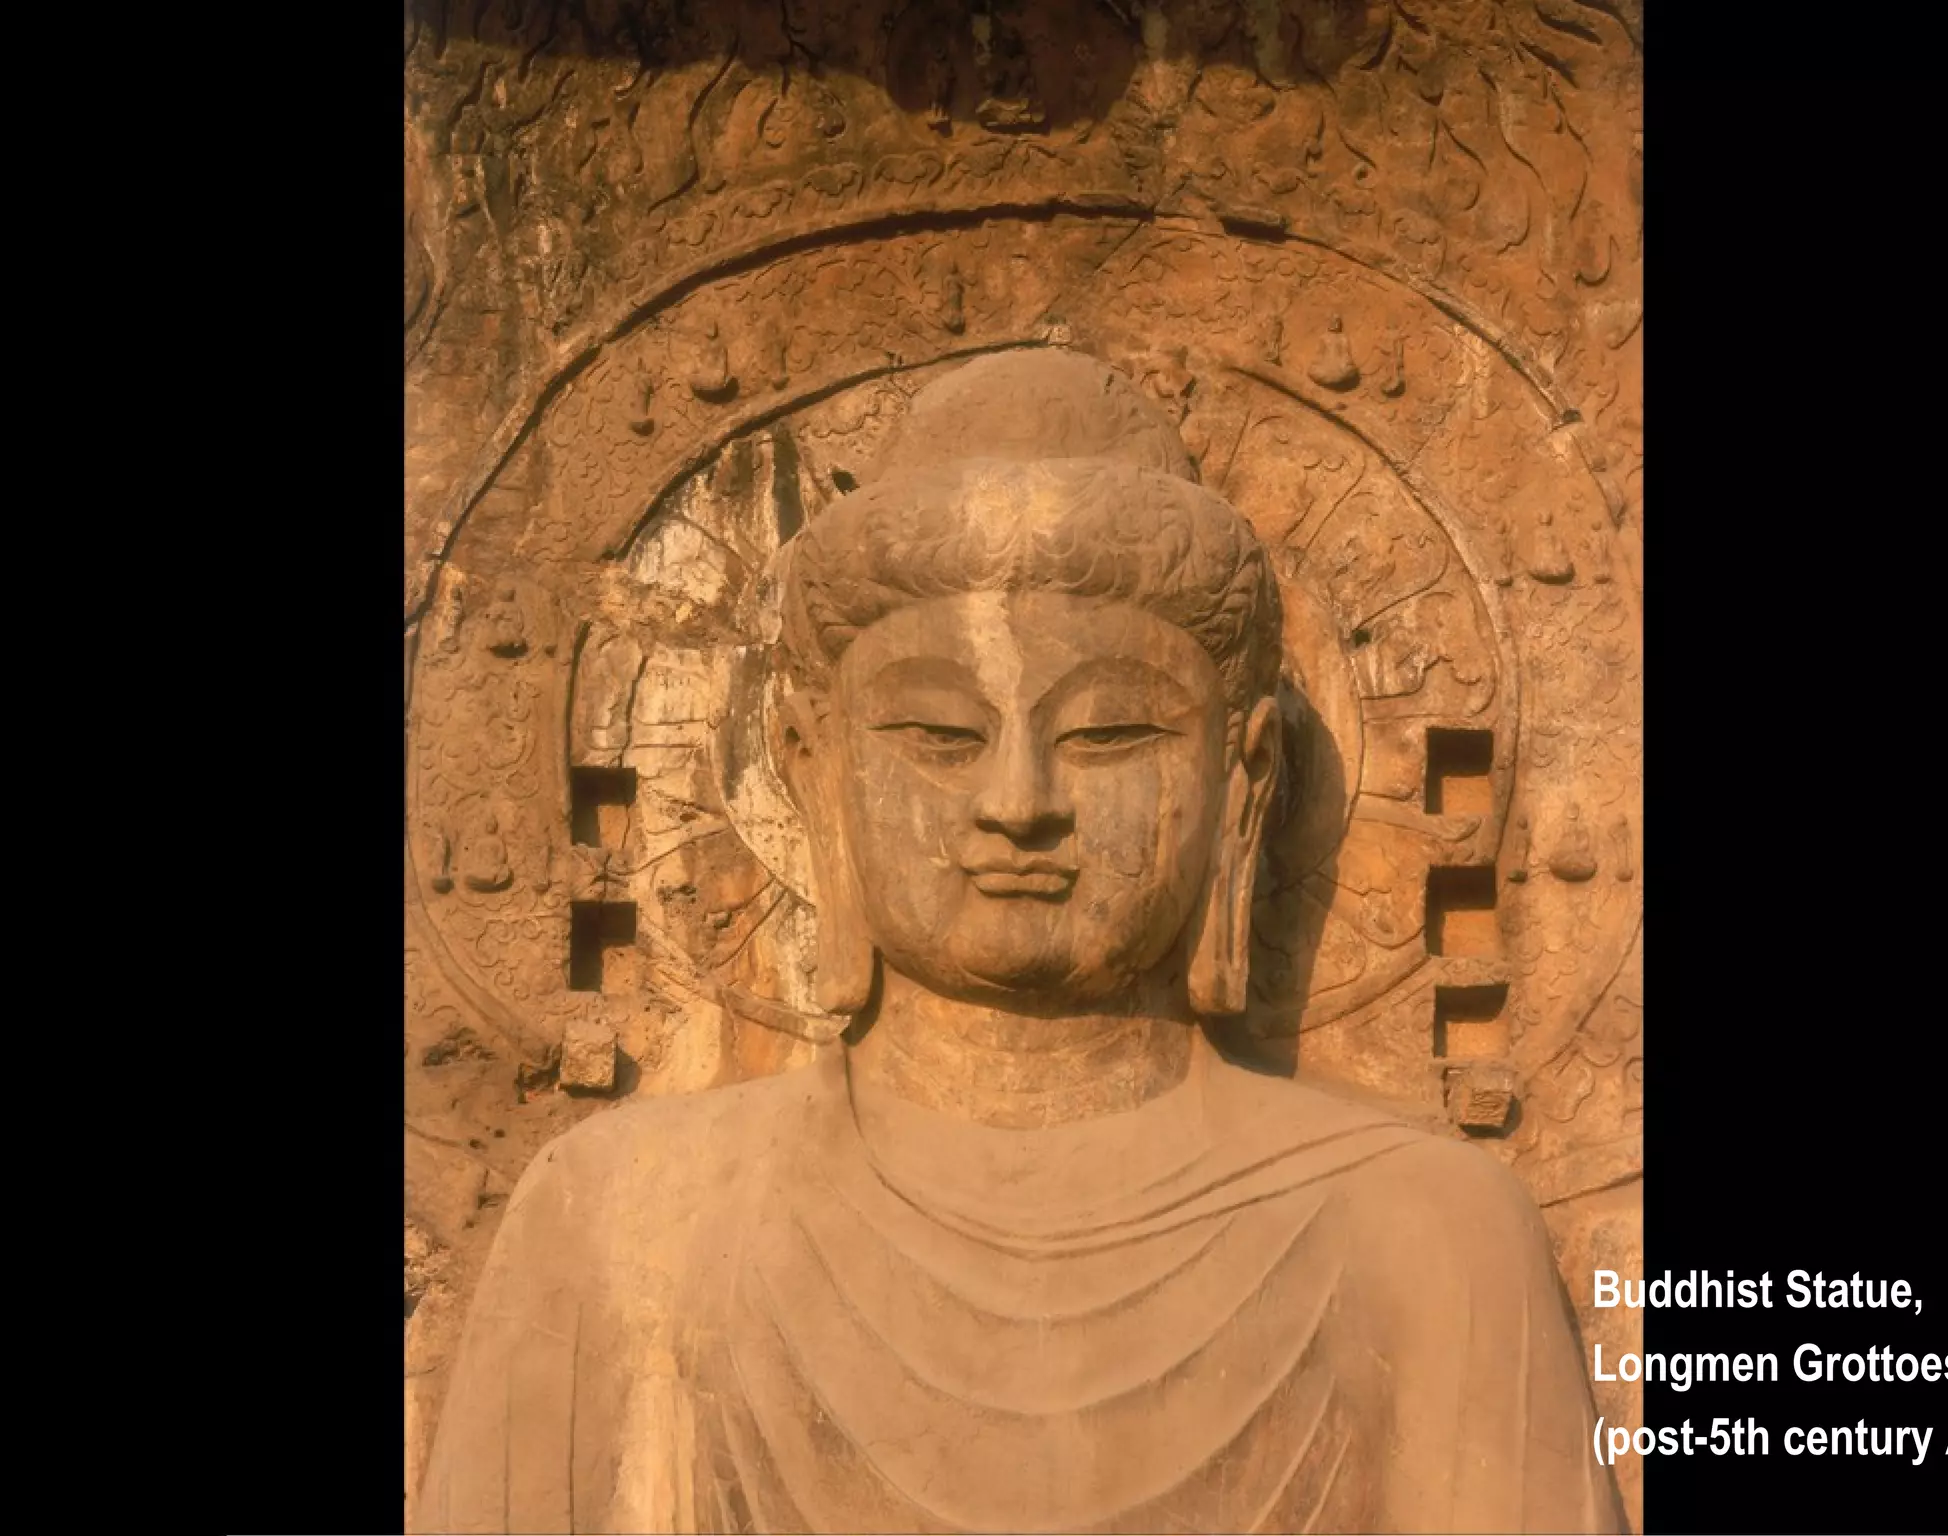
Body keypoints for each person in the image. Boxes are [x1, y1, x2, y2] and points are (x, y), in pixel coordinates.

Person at [418, 349, 1622, 1534]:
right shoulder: (625, 1219)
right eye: (938, 734)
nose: (1017, 801)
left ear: (1242, 778)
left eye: (1108, 735)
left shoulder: (1425, 1229)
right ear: (812, 768)